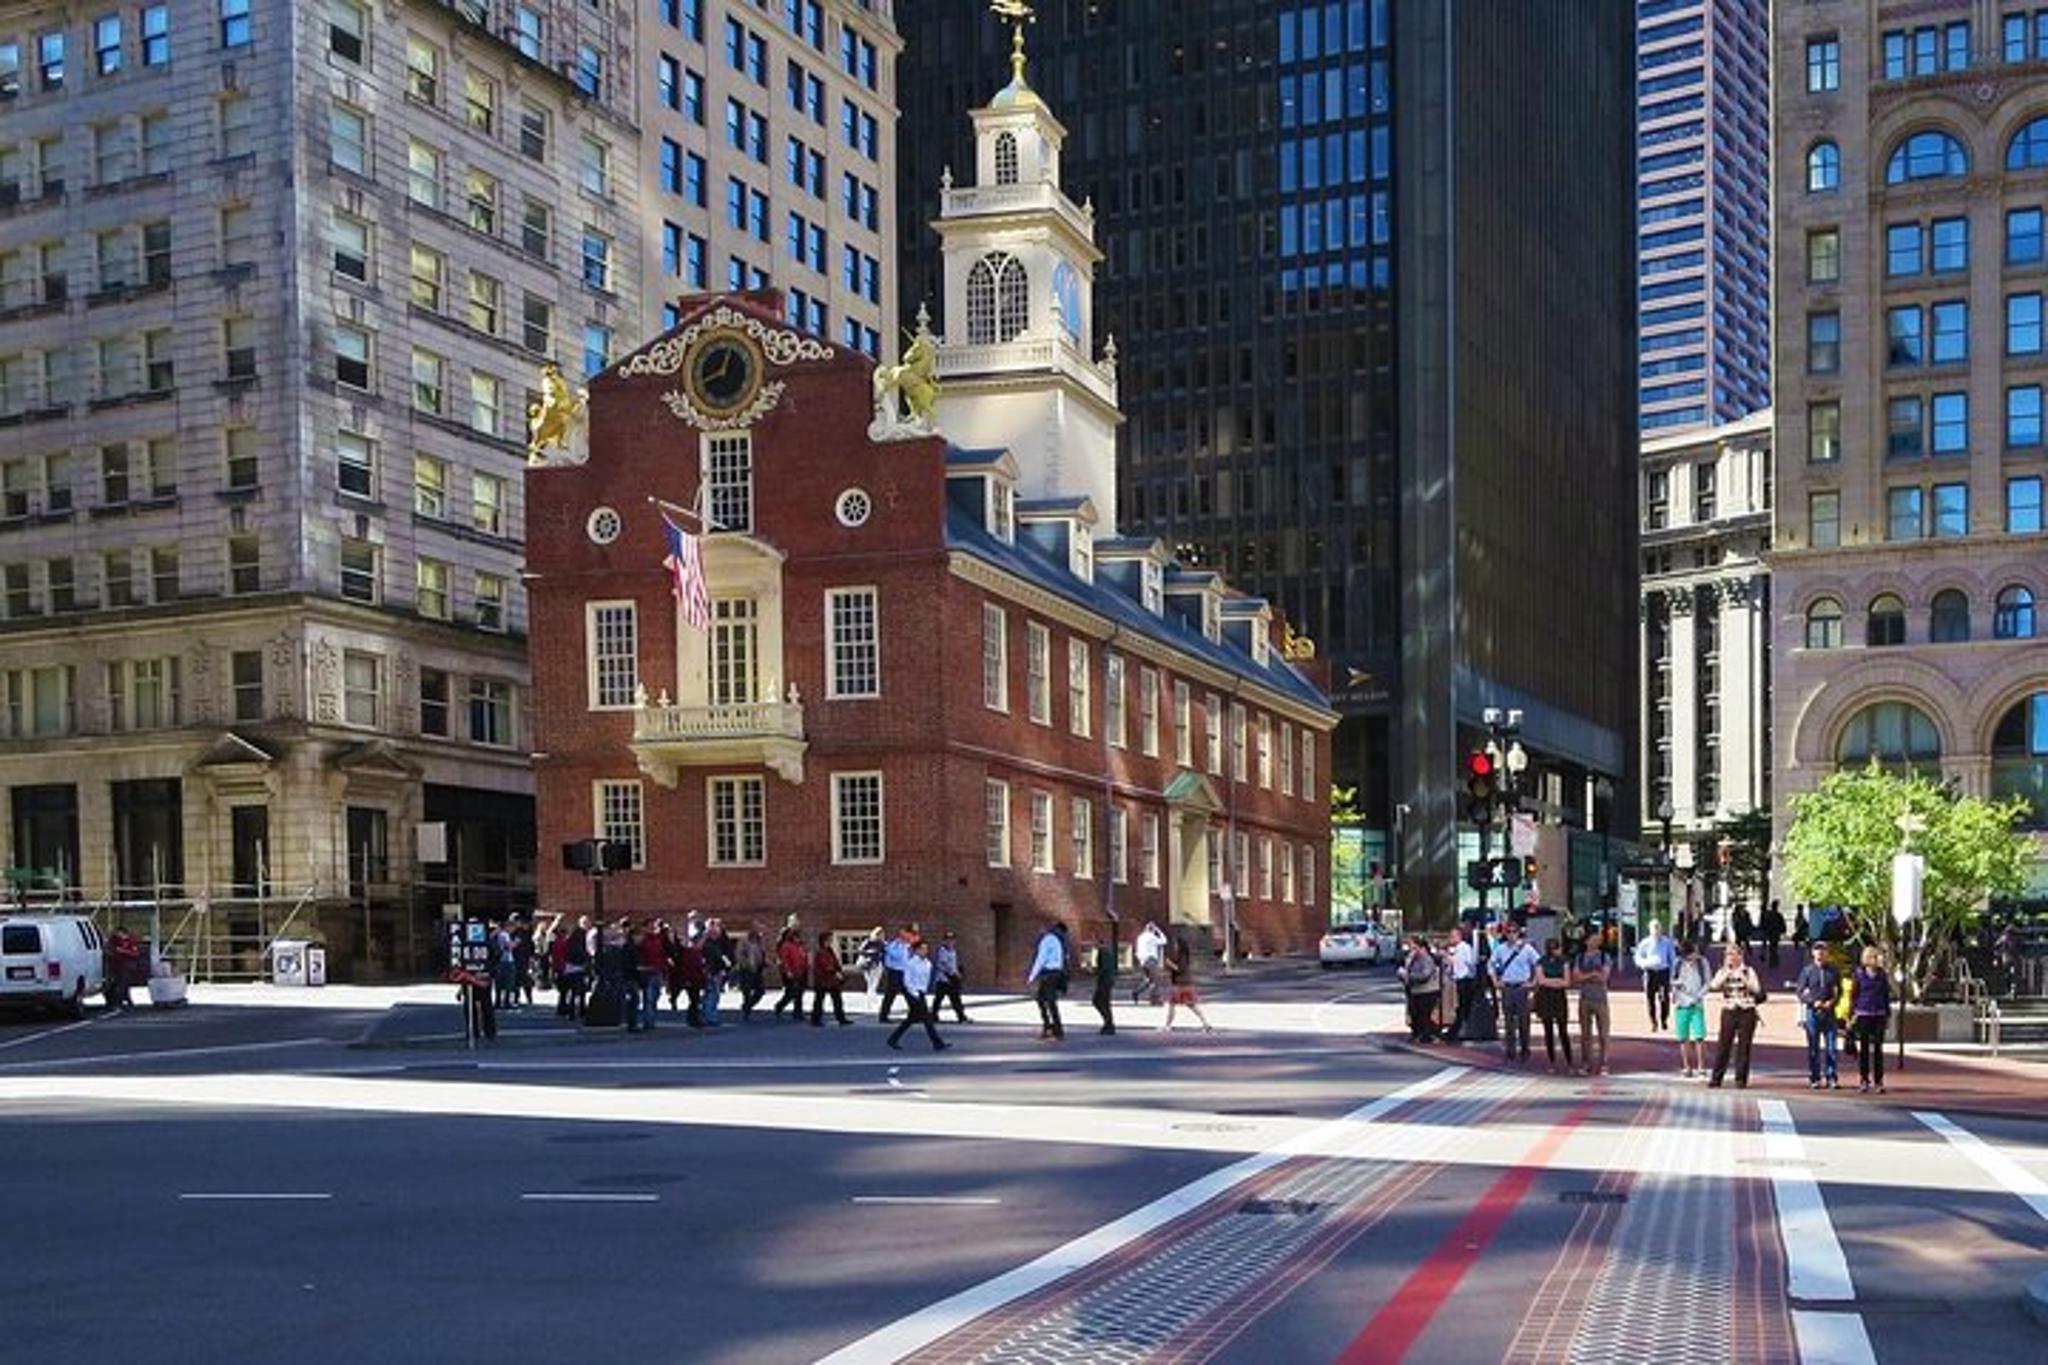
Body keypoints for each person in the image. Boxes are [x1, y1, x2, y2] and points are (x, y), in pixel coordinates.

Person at [1707, 943, 1764, 1089]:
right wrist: (1727, 972)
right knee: (1723, 1045)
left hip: (1747, 1009)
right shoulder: (1723, 971)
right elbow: (1714, 986)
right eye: (1728, 954)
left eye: (1733, 954)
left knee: (1744, 1046)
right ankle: (1716, 1078)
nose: (1731, 957)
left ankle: (1741, 1079)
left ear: (1740, 955)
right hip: (1729, 1009)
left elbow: (1757, 989)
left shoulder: (1748, 971)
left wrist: (1744, 978)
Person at [887, 940, 949, 1051]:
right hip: (912, 992)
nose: (925, 951)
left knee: (911, 1019)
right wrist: (914, 994)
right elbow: (907, 980)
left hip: (921, 992)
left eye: (926, 949)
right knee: (927, 1018)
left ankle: (893, 1039)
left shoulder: (927, 963)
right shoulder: (910, 963)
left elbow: (926, 980)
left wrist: (924, 992)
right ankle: (937, 1043)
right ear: (916, 950)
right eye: (922, 949)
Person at [1796, 942, 1843, 1089]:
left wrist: (1832, 1002)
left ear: (1827, 953)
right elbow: (1800, 992)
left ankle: (1831, 1076)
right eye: (1817, 951)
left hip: (1829, 1012)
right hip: (1813, 1012)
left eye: (1823, 951)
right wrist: (1811, 1001)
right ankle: (1814, 1077)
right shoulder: (1807, 971)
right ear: (1813, 953)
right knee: (1813, 1047)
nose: (1820, 954)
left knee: (1831, 1046)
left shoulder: (1833, 971)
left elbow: (1839, 991)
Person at [1489, 925, 1539, 1063]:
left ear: (1518, 934)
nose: (1511, 935)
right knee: (1509, 1021)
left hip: (1522, 987)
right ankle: (1510, 1050)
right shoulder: (1500, 949)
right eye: (1509, 932)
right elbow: (1491, 964)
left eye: (1514, 932)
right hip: (1508, 987)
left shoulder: (1527, 949)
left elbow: (1538, 964)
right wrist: (1495, 981)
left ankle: (1525, 1049)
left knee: (1524, 1021)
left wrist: (1533, 982)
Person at [1568, 930, 1612, 1076]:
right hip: (1585, 998)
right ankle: (1586, 1062)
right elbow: (1576, 978)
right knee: (1585, 1034)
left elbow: (1603, 977)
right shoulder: (1579, 958)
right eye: (1592, 939)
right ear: (1586, 941)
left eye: (1597, 939)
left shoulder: (1605, 957)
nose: (1595, 942)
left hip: (1600, 999)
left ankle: (1604, 1062)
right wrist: (1592, 974)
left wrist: (1586, 976)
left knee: (1603, 1033)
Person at [1850, 945, 1891, 1093]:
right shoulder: (1859, 974)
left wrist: (1887, 1013)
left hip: (1879, 1013)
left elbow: (1886, 994)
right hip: (1863, 1013)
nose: (1877, 959)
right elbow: (1854, 995)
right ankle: (1864, 1079)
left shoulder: (1882, 975)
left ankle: (1879, 1080)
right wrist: (1852, 1014)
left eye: (1877, 957)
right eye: (1874, 957)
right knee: (1864, 1048)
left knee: (1878, 1049)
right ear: (1867, 958)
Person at [1532, 938, 1573, 1073]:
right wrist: (1557, 981)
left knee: (1563, 1030)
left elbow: (1567, 982)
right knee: (1548, 1030)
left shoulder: (1564, 961)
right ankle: (1552, 1061)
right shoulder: (1541, 962)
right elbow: (1540, 980)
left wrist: (1551, 981)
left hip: (1559, 997)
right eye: (1557, 948)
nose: (1559, 950)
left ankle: (1569, 1061)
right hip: (1546, 997)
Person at [1672, 939, 1711, 1079]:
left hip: (1697, 1004)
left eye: (1692, 956)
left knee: (1699, 1036)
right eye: (1687, 958)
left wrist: (1698, 996)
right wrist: (1678, 985)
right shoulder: (1677, 964)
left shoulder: (1702, 963)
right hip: (1681, 1004)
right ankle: (1687, 1066)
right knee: (1683, 1037)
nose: (1691, 959)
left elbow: (1708, 982)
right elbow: (1672, 981)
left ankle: (1701, 1067)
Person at [1160, 932, 1214, 1033]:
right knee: (1191, 1005)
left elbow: (1180, 969)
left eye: (1176, 944)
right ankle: (1206, 1024)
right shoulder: (1182, 955)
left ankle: (1167, 1026)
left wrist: (1169, 963)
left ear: (1180, 945)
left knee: (1174, 1005)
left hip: (1181, 984)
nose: (1174, 945)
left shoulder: (1182, 956)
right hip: (1184, 983)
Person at [1028, 921, 1069, 1040]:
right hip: (1058, 973)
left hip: (1049, 973)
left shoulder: (1048, 940)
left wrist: (1032, 976)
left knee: (1045, 1000)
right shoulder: (1061, 941)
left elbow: (1041, 958)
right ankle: (1052, 1028)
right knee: (1048, 1001)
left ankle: (1053, 1029)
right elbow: (1065, 959)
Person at [1633, 920, 1677, 1032]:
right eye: (1654, 928)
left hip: (1663, 972)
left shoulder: (1667, 942)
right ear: (1650, 930)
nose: (1656, 930)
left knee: (1664, 998)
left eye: (1658, 928)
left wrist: (1673, 974)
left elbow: (1672, 958)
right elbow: (1638, 957)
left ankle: (1664, 1019)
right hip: (1650, 972)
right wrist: (1643, 964)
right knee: (1650, 998)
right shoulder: (1645, 943)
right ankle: (1653, 1022)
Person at [1400, 936, 1442, 1043]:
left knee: (1424, 1014)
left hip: (1427, 990)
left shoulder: (1426, 958)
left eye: (1413, 947)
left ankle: (1428, 1035)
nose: (1411, 949)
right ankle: (1420, 1034)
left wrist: (1409, 976)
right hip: (1416, 990)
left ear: (1421, 947)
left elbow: (1425, 974)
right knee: (1416, 1013)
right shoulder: (1413, 958)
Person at [810, 931, 851, 1026]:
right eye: (829, 940)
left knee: (837, 999)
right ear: (824, 941)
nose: (831, 941)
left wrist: (839, 970)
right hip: (823, 979)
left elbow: (835, 963)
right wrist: (835, 972)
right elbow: (825, 966)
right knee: (819, 1000)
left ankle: (841, 1018)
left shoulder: (829, 951)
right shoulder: (821, 952)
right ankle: (815, 1019)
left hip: (831, 980)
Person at [1445, 927, 1479, 1044]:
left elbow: (1470, 963)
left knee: (1464, 1006)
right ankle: (1456, 1031)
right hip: (1460, 980)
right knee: (1460, 1006)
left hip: (1466, 980)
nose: (1451, 939)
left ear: (1459, 936)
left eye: (1453, 936)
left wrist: (1450, 959)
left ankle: (1462, 1030)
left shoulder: (1465, 948)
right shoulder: (1456, 949)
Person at [635, 919, 668, 1031]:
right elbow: (639, 954)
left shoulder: (657, 939)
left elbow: (663, 952)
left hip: (657, 970)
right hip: (647, 971)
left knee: (656, 996)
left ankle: (651, 1019)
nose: (652, 928)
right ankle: (648, 1022)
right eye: (649, 926)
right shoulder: (642, 940)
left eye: (653, 926)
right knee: (648, 998)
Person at [700, 917, 731, 1027]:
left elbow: (723, 957)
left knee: (713, 995)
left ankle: (709, 1016)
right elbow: (699, 954)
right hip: (708, 972)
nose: (717, 930)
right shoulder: (705, 942)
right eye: (714, 928)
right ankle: (709, 1017)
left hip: (716, 971)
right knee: (711, 995)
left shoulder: (719, 942)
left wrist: (724, 968)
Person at [931, 932, 969, 1024]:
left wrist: (957, 973)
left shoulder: (953, 951)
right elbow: (944, 965)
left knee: (955, 999)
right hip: (943, 979)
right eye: (948, 940)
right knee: (939, 999)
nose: (950, 942)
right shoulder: (943, 950)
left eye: (952, 940)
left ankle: (961, 1016)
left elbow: (953, 965)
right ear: (944, 941)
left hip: (952, 979)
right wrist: (955, 974)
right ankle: (934, 1015)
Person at [104, 927, 144, 1010]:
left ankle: (122, 1002)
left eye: (119, 933)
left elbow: (135, 953)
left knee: (123, 984)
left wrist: (123, 951)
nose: (117, 935)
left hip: (127, 965)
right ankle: (121, 1001)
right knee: (117, 984)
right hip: (115, 965)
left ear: (123, 933)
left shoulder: (130, 941)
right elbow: (109, 948)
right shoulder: (114, 940)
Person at [733, 927, 767, 1022]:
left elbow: (761, 954)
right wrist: (744, 964)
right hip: (746, 970)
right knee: (746, 991)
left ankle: (747, 1006)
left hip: (757, 969)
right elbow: (738, 954)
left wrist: (763, 962)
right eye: (758, 932)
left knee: (760, 991)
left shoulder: (760, 943)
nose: (760, 934)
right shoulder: (744, 942)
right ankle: (746, 1011)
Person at [773, 928, 808, 1020]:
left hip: (801, 972)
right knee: (791, 993)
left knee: (799, 993)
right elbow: (784, 960)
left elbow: (803, 957)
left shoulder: (799, 946)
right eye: (797, 937)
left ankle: (798, 1012)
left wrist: (806, 966)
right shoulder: (786, 946)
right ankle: (779, 1006)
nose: (799, 938)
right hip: (790, 972)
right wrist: (788, 971)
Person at [1133, 921, 1168, 1005]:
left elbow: (1137, 949)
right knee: (1156, 980)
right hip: (1151, 960)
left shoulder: (1140, 937)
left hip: (1142, 961)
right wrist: (1159, 931)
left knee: (1148, 980)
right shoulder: (1151, 937)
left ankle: (1136, 992)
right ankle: (1155, 999)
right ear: (1152, 930)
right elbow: (1164, 941)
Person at [1091, 933, 1118, 1035]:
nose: (1093, 944)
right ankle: (1108, 1024)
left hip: (1104, 980)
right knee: (1102, 1002)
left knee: (1099, 1001)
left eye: (1094, 942)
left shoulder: (1102, 952)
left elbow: (1104, 968)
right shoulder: (1105, 951)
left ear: (1098, 942)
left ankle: (1109, 1024)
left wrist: (1095, 971)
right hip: (1107, 980)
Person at [856, 927, 887, 999]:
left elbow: (884, 953)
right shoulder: (869, 941)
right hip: (867, 964)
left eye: (883, 934)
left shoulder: (883, 943)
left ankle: (871, 996)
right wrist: (871, 952)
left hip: (877, 964)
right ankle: (871, 996)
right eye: (880, 934)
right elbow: (860, 950)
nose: (882, 936)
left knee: (875, 981)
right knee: (870, 982)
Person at [1761, 900, 1787, 968]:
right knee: (1774, 946)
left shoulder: (1768, 915)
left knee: (1772, 947)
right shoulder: (1778, 915)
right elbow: (1782, 924)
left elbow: (1765, 923)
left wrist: (1765, 930)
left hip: (1770, 932)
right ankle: (1774, 960)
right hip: (1775, 932)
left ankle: (1772, 960)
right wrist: (1783, 930)